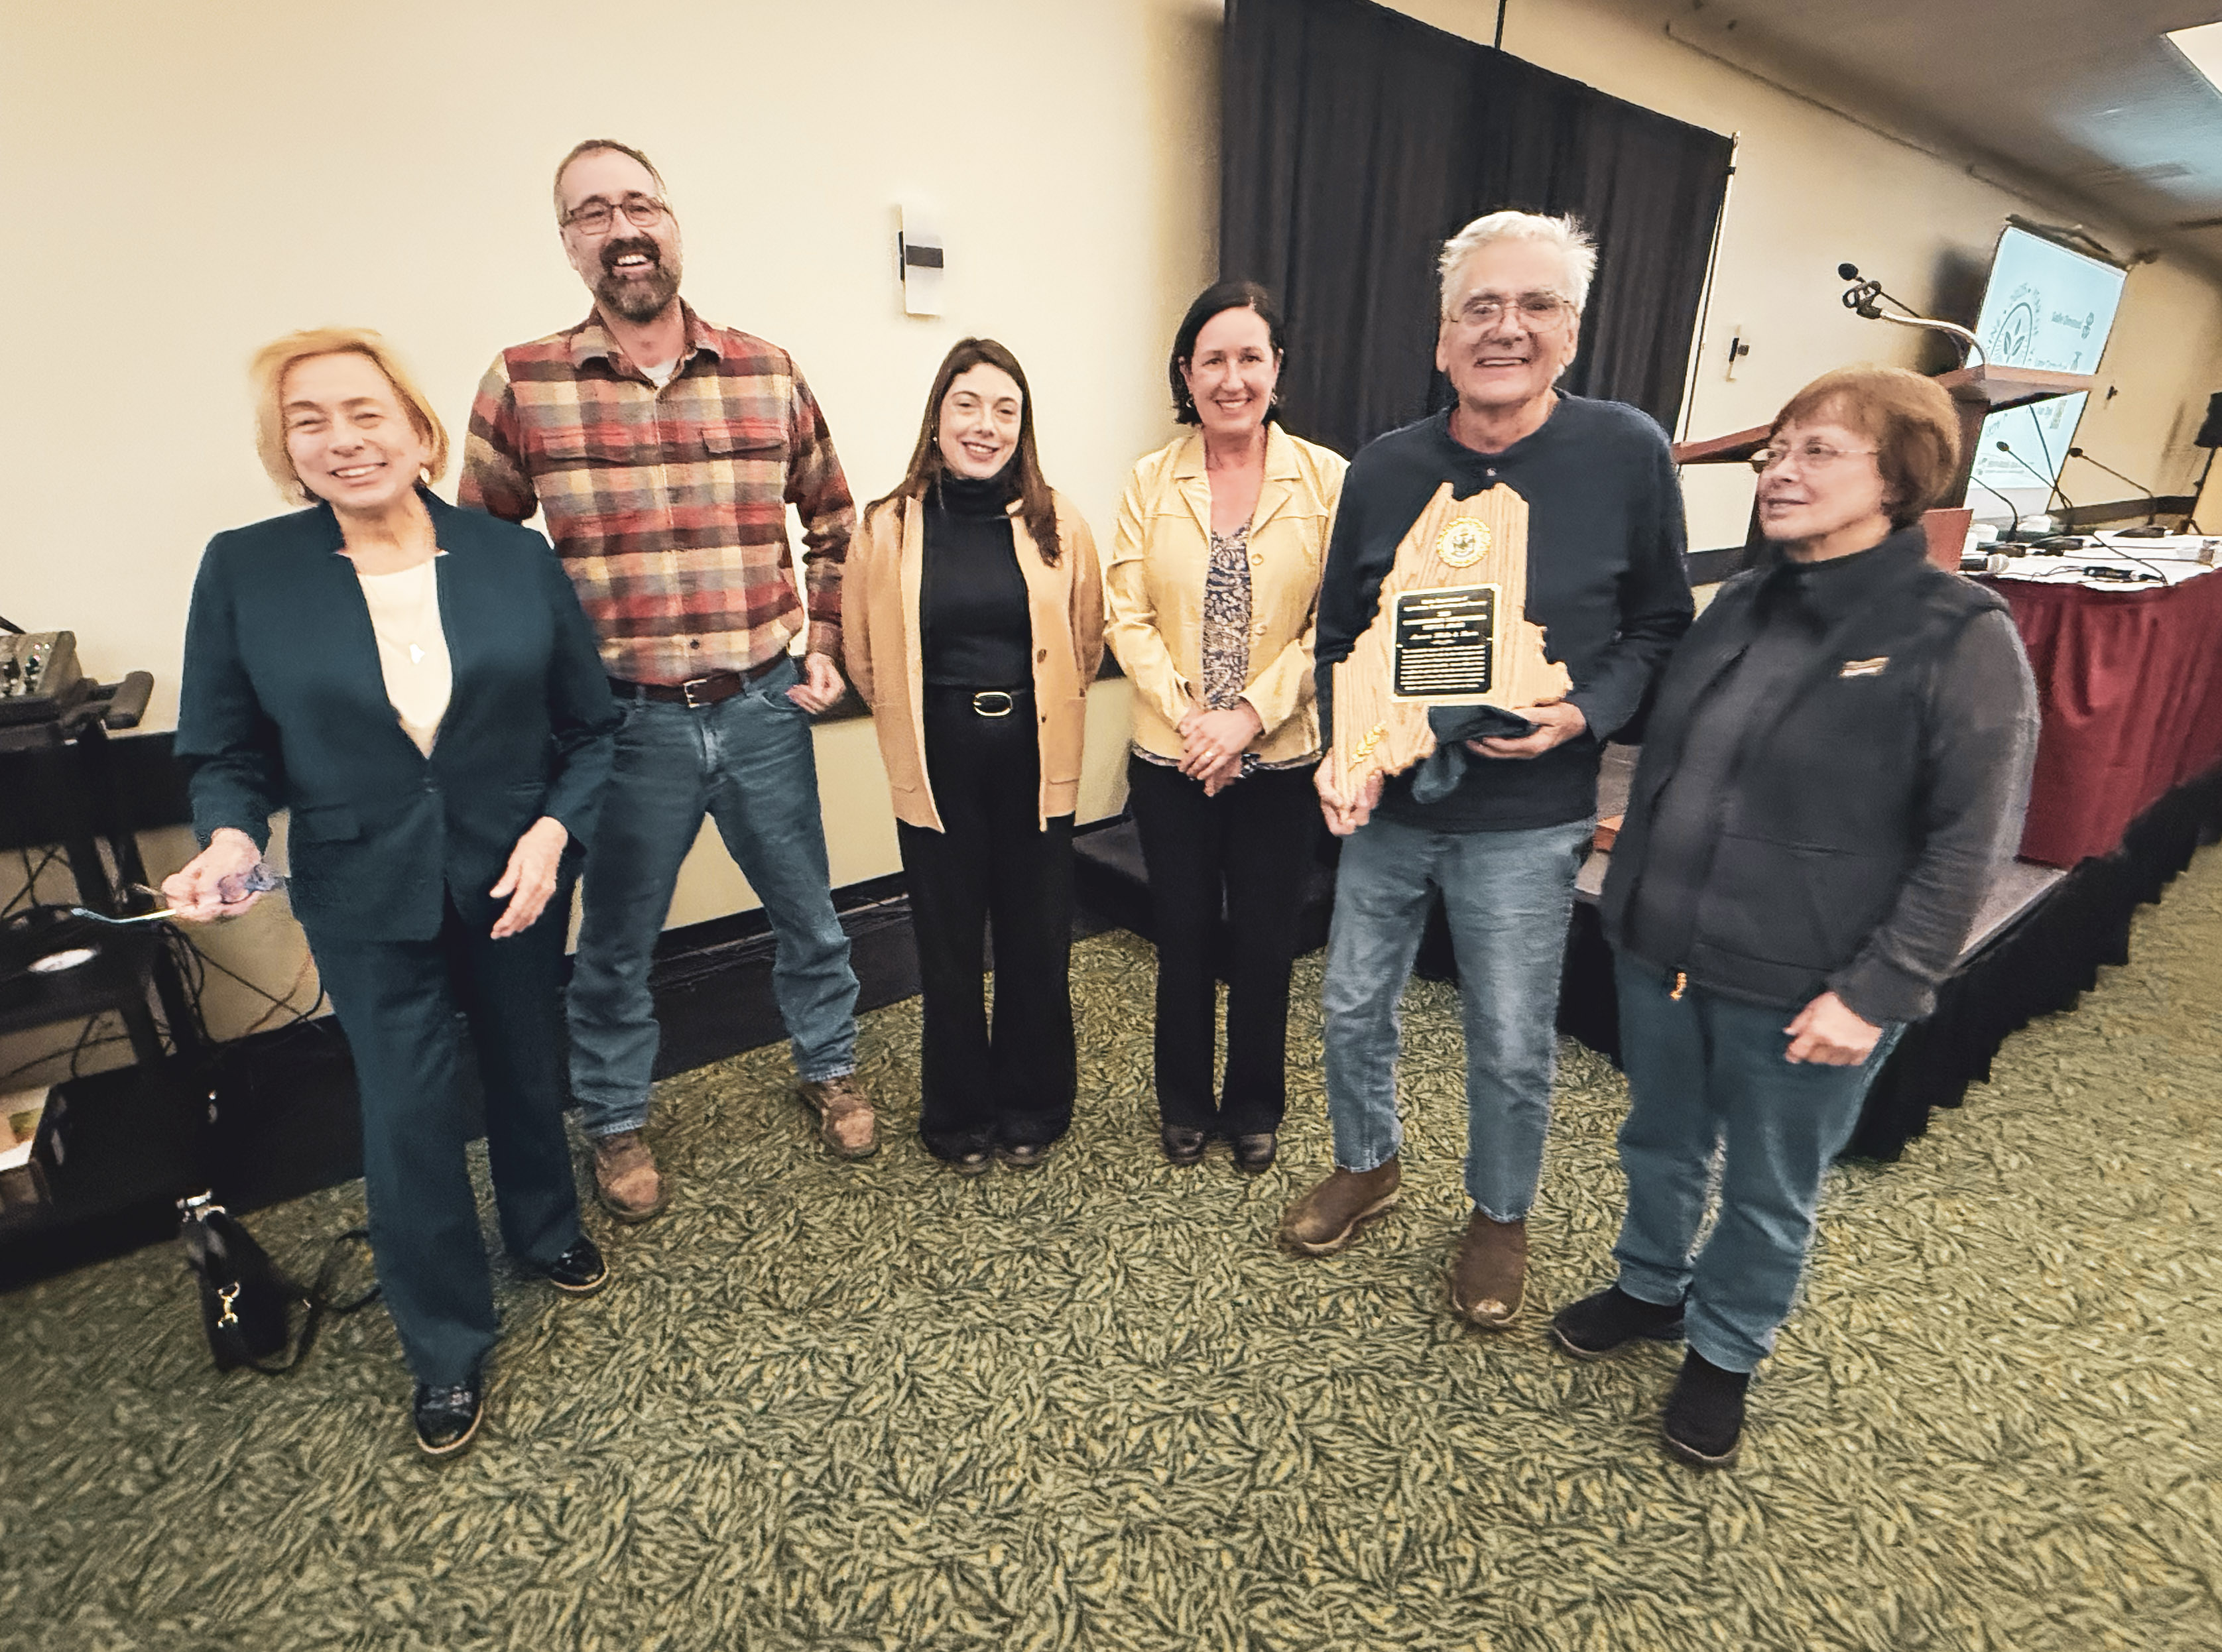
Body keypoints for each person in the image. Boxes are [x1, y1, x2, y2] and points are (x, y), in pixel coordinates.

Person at [1554, 365, 2038, 1468]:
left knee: (1772, 1188)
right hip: (1660, 945)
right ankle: (1649, 1286)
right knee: (1659, 1141)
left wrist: (1876, 991)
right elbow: (1665, 747)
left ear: (1898, 477)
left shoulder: (1957, 632)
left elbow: (1976, 837)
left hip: (1809, 982)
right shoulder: (1743, 599)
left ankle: (1723, 1355)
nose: (1780, 469)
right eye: (1776, 449)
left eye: (1818, 450)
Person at [166, 329, 619, 1458]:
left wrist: (557, 832)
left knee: (525, 1060)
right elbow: (223, 748)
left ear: (417, 428)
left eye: (364, 412)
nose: (341, 438)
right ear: (286, 450)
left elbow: (592, 731)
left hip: (514, 866)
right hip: (361, 880)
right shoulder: (246, 569)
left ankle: (543, 1227)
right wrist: (228, 836)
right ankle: (446, 1346)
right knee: (406, 1110)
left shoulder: (513, 559)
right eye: (308, 420)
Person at [1281, 211, 1694, 1334]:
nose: (1505, 327)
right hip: (1390, 807)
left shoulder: (1626, 453)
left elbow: (1661, 622)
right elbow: (1341, 635)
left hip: (1528, 814)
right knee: (1351, 1006)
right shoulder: (1385, 468)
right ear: (1442, 337)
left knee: (1511, 1035)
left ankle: (1499, 1214)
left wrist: (1586, 712)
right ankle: (1367, 1164)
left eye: (1536, 306)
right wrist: (1343, 747)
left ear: (1571, 331)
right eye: (1480, 306)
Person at [460, 139, 874, 1222]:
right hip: (624, 725)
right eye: (591, 212)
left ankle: (829, 1062)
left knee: (810, 914)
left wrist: (822, 639)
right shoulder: (525, 383)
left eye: (638, 202)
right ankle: (614, 1112)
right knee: (616, 941)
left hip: (761, 706)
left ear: (674, 223)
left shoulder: (767, 371)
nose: (622, 226)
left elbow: (834, 519)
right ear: (569, 244)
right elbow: (482, 570)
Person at [843, 340, 1103, 1172]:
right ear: (938, 414)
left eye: (1005, 409)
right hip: (937, 764)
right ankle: (957, 1114)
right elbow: (864, 653)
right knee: (948, 945)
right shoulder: (888, 525)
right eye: (968, 404)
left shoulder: (1060, 520)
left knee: (1036, 938)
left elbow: (1086, 641)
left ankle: (1033, 1101)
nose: (984, 426)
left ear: (1023, 427)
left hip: (1035, 762)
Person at [1104, 282, 1345, 1173]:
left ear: (1276, 371)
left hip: (1277, 759)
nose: (1231, 377)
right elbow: (1121, 617)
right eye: (1213, 359)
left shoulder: (1328, 482)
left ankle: (1252, 1103)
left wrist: (1245, 719)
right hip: (1170, 758)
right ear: (1185, 373)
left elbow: (1337, 624)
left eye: (1250, 357)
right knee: (1182, 937)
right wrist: (1195, 725)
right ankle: (1182, 1101)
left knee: (1263, 940)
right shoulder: (1146, 479)